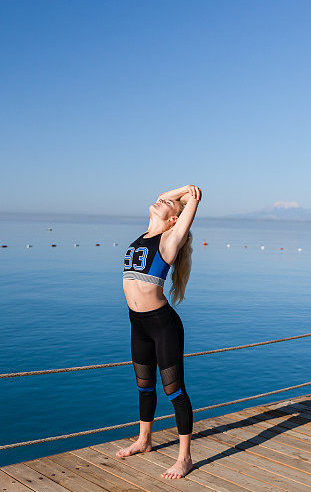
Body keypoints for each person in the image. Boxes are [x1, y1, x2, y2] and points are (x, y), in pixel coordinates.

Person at [115, 184, 202, 479]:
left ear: (175, 220)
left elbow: (193, 197)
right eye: (159, 199)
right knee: (144, 386)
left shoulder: (169, 240)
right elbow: (166, 197)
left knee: (174, 391)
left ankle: (185, 458)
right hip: (137, 324)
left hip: (162, 325)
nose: (159, 201)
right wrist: (171, 195)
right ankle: (144, 440)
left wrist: (184, 193)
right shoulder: (145, 235)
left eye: (167, 202)